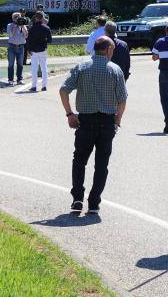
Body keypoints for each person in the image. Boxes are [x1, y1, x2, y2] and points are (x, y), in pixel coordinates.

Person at [60, 36, 127, 214]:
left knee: (79, 160)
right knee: (102, 164)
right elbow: (122, 99)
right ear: (108, 49)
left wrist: (69, 113)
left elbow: (63, 90)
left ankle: (77, 198)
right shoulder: (115, 70)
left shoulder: (81, 67)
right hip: (107, 122)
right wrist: (117, 120)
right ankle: (94, 202)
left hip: (85, 121)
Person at [27, 11, 52, 92]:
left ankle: (34, 86)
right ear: (42, 18)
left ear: (36, 18)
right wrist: (44, 42)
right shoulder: (46, 28)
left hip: (34, 51)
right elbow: (50, 40)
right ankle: (44, 86)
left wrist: (29, 50)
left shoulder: (31, 28)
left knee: (34, 69)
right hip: (43, 50)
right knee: (44, 67)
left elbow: (28, 41)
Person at [6, 12, 28, 85]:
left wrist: (22, 26)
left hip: (21, 47)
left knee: (20, 64)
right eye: (15, 17)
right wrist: (15, 26)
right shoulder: (9, 25)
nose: (17, 18)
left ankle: (19, 79)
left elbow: (26, 35)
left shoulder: (23, 25)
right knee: (11, 64)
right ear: (12, 18)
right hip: (12, 47)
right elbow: (11, 35)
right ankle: (10, 80)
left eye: (18, 17)